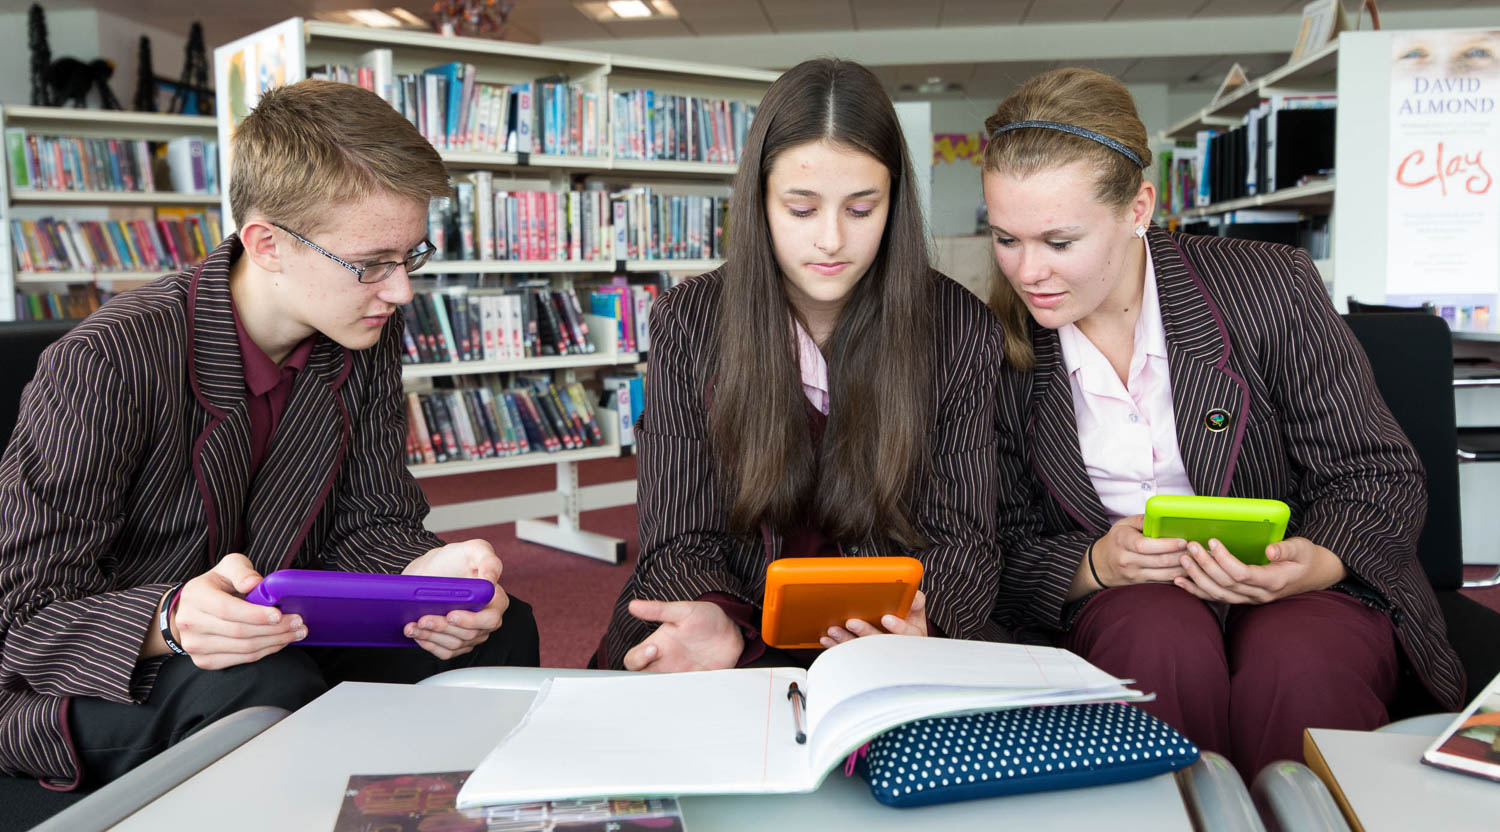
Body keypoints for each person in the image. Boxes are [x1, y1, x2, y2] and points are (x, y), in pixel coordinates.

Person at [0, 79, 540, 791]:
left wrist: (422, 575)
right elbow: (23, 611)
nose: (401, 290)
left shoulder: (363, 331)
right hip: (97, 671)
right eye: (371, 263)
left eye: (411, 257)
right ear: (267, 244)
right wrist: (171, 618)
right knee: (258, 693)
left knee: (499, 628)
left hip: (279, 636)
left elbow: (372, 521)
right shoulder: (107, 360)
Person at [980, 67, 1465, 779]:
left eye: (1059, 241)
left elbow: (1376, 472)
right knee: (1153, 646)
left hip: (1300, 582)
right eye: (1006, 239)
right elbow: (993, 547)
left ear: (1138, 207)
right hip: (1124, 604)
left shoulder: (1269, 286)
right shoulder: (991, 348)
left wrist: (1320, 561)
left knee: (1299, 663)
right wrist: (1095, 564)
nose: (1029, 273)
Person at [597, 58, 1005, 672]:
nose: (832, 241)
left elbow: (966, 536)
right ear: (759, 201)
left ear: (896, 203)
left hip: (895, 629)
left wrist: (925, 619)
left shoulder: (961, 326)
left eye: (862, 209)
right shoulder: (689, 318)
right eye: (802, 209)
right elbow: (676, 532)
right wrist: (713, 614)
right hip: (726, 619)